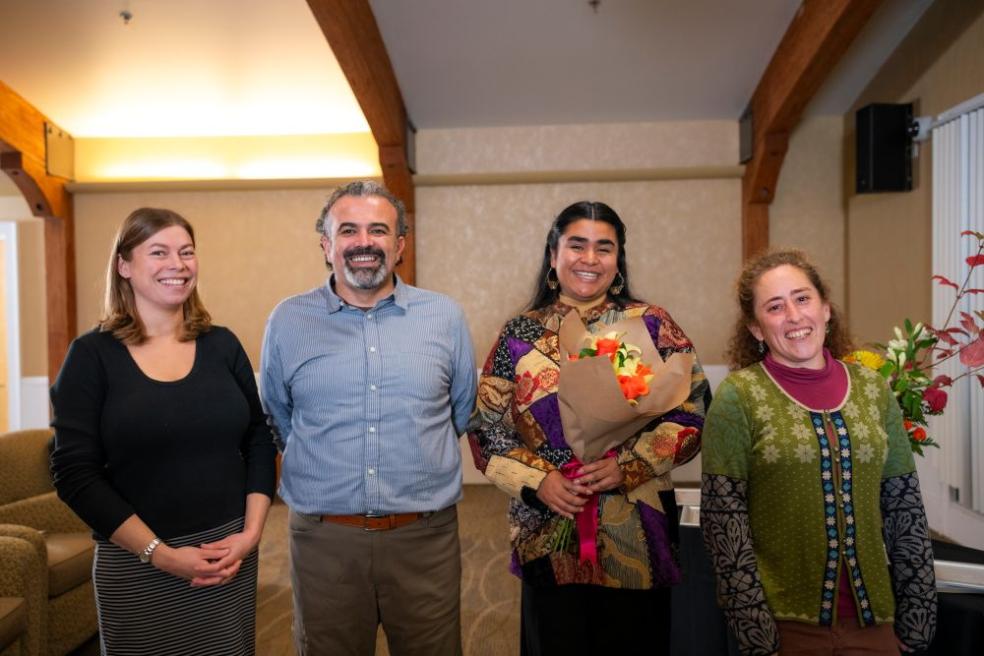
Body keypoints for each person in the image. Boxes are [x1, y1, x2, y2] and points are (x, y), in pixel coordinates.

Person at [468, 201, 710, 655]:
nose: (590, 258)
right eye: (577, 245)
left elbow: (693, 411)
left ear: (618, 261)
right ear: (553, 255)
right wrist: (539, 481)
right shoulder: (519, 335)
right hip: (548, 529)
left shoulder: (651, 325)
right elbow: (486, 431)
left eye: (605, 248)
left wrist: (630, 464)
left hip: (638, 528)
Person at [260, 180, 477, 656]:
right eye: (348, 230)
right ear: (326, 244)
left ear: (399, 245)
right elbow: (278, 415)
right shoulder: (288, 321)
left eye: (378, 230)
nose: (364, 243)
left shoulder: (444, 317)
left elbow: (460, 410)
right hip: (325, 541)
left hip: (425, 539)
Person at [49, 208, 276, 655]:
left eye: (186, 252)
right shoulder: (90, 356)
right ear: (124, 266)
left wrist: (249, 537)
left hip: (226, 559)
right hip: (137, 563)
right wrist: (161, 554)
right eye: (159, 252)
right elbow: (74, 473)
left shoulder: (223, 344)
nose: (178, 263)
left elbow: (258, 438)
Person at [700, 250, 937, 656]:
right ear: (756, 329)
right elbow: (724, 524)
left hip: (875, 623)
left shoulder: (873, 389)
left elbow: (905, 509)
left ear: (826, 309)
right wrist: (756, 634)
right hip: (784, 627)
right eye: (775, 307)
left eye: (802, 298)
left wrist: (917, 621)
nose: (793, 315)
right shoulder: (738, 398)